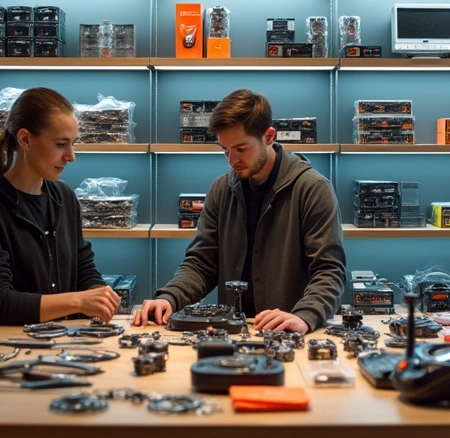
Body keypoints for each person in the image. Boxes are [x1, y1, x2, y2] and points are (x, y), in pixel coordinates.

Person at [132, 89, 346, 333]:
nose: (232, 160)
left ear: (269, 136)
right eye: (225, 150)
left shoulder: (313, 189)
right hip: (231, 334)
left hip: (289, 336)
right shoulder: (221, 189)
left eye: (241, 149)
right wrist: (169, 297)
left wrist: (305, 316)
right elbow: (201, 264)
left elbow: (329, 271)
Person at [0, 87, 120, 333]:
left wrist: (97, 294)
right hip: (1, 353)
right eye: (60, 144)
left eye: (73, 144)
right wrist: (78, 301)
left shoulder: (64, 196)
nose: (71, 156)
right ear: (25, 139)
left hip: (60, 344)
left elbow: (83, 266)